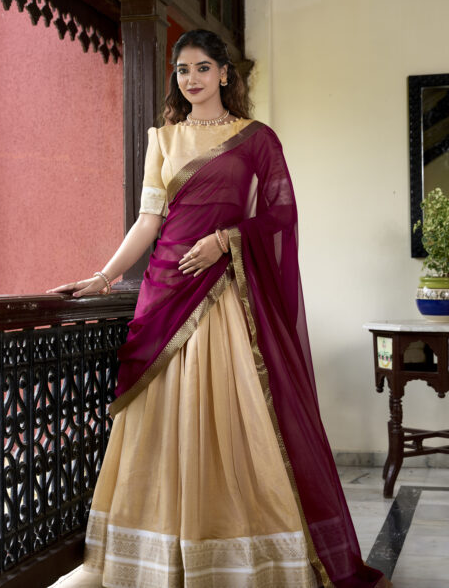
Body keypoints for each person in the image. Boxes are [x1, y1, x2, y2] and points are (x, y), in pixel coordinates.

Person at [48, 29, 391, 588]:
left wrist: (226, 240)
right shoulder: (163, 139)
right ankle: (159, 556)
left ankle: (237, 552)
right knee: (161, 424)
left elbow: (281, 211)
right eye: (182, 70)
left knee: (237, 417)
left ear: (224, 74)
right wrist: (103, 277)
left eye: (203, 68)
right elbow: (148, 223)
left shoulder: (254, 139)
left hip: (224, 293)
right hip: (165, 292)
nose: (192, 79)